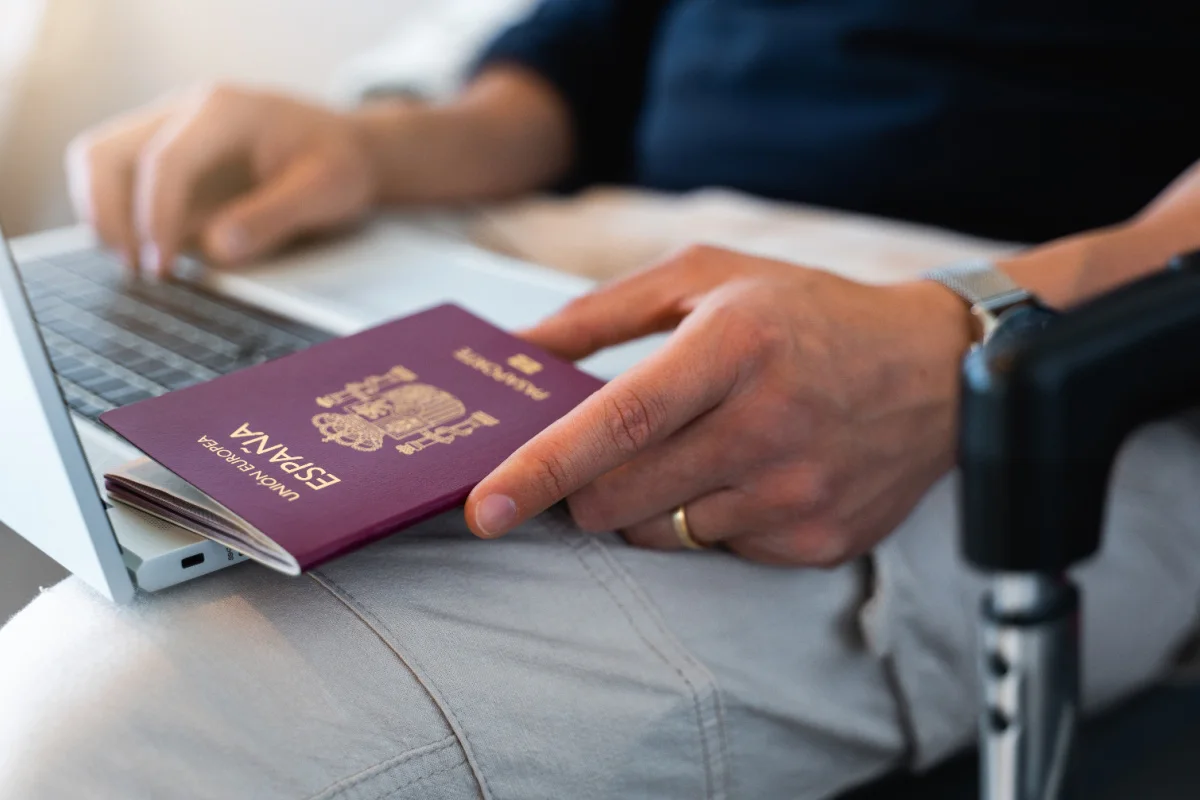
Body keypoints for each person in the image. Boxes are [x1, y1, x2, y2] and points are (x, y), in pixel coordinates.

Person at [5, 1, 1200, 797]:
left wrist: (968, 327)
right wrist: (386, 150)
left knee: (111, 728)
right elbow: (610, 41)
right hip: (588, 234)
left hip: (1043, 317)